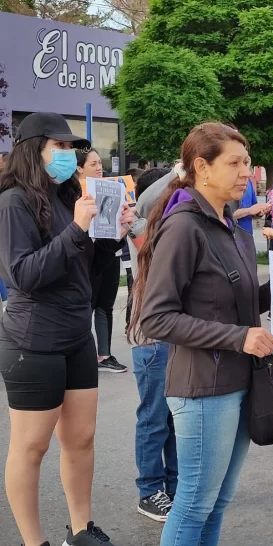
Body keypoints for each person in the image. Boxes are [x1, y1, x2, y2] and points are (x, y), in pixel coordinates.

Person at [131, 122, 273, 546]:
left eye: (248, 163)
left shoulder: (231, 225)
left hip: (240, 380)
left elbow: (238, 301)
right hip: (202, 387)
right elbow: (156, 318)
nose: (246, 173)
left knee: (216, 502)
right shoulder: (184, 226)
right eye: (234, 163)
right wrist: (240, 338)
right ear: (202, 167)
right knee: (194, 504)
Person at [0, 112, 134, 546]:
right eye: (58, 147)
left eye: (70, 148)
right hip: (33, 341)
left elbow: (85, 266)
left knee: (81, 438)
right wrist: (78, 228)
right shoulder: (13, 202)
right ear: (33, 149)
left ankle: (81, 529)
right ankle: (32, 540)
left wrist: (112, 236)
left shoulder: (66, 195)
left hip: (77, 335)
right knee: (31, 447)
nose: (68, 156)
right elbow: (23, 274)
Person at [124, 167, 179, 523]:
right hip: (153, 341)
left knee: (175, 420)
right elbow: (148, 198)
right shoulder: (143, 226)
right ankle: (149, 490)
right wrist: (180, 171)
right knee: (155, 419)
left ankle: (174, 486)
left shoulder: (176, 228)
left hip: (177, 337)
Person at [76, 149, 127, 373]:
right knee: (86, 306)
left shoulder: (111, 188)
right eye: (93, 164)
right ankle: (80, 352)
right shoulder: (72, 195)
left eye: (100, 163)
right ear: (79, 168)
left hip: (110, 253)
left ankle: (103, 355)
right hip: (87, 258)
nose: (99, 168)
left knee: (105, 305)